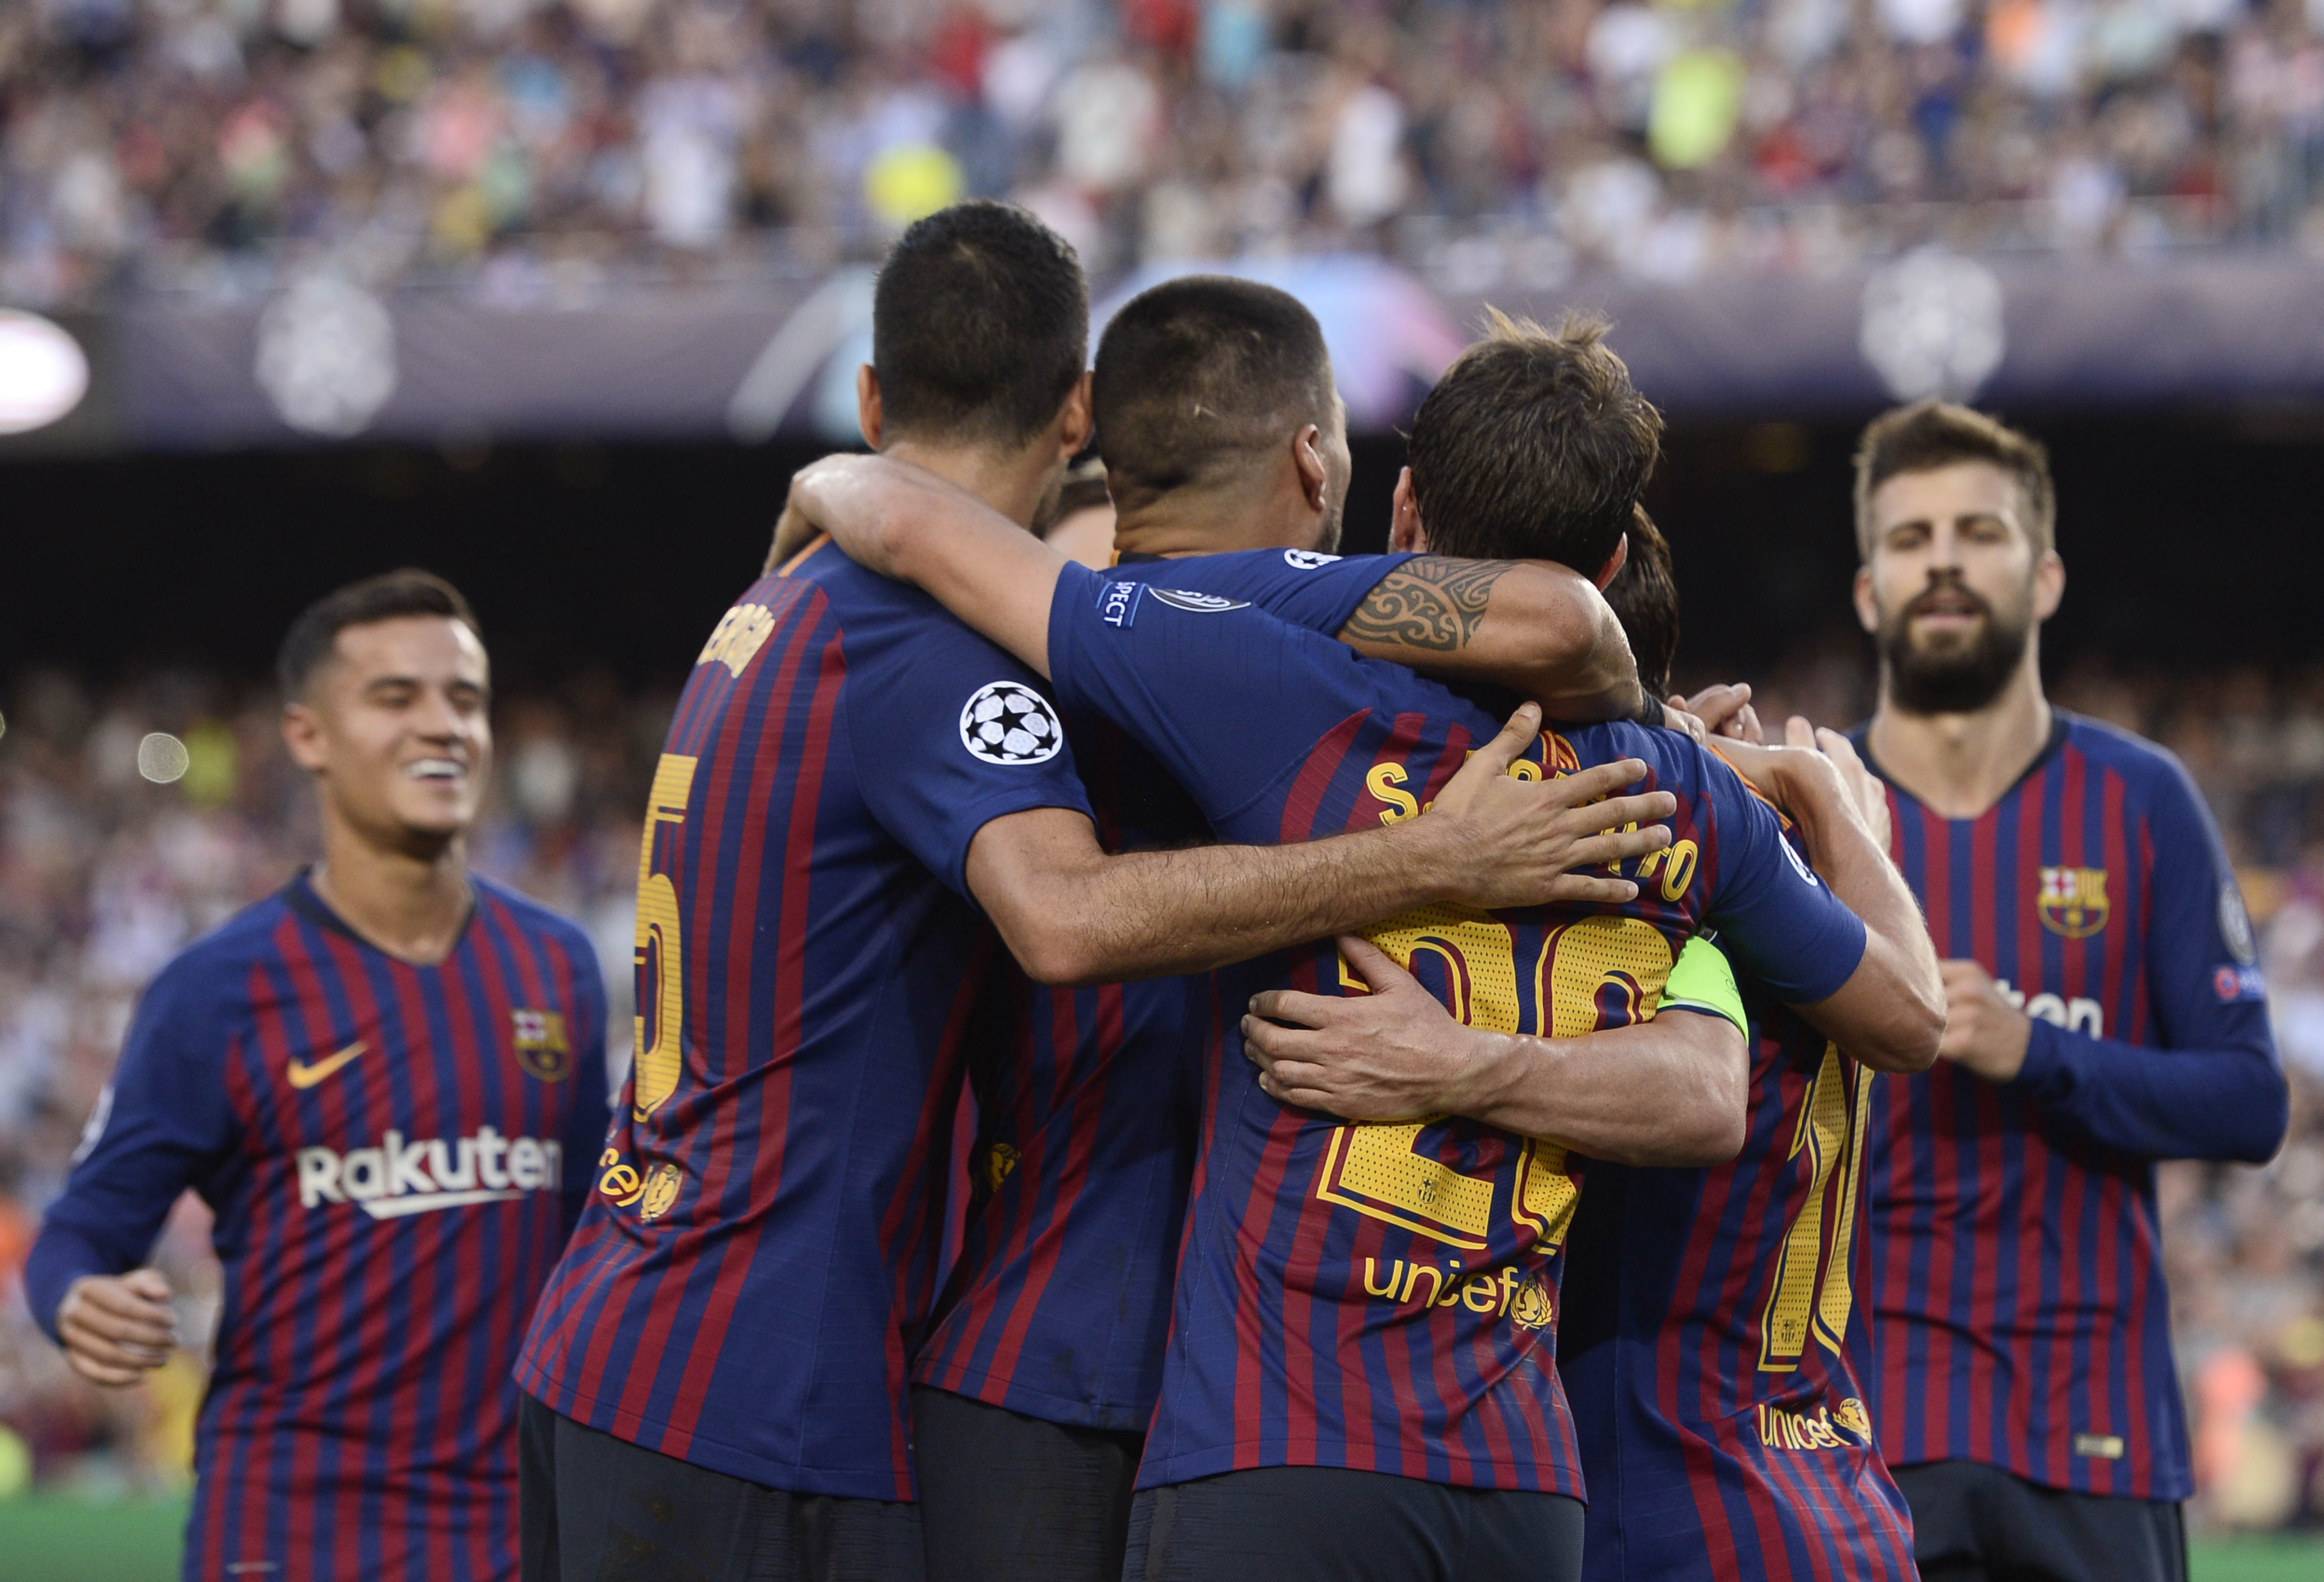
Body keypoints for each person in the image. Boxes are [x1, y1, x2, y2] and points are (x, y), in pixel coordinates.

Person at [509, 205, 1669, 1582]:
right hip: (1036, 1387)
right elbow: (1065, 919)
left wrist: (857, 487)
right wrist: (1461, 847)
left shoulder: (897, 623)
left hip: (932, 1356)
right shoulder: (1023, 666)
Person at [785, 332, 1942, 1580]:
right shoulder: (1686, 803)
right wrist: (1827, 799)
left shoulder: (1286, 695)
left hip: (1280, 1442)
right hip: (1518, 1476)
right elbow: (1910, 1020)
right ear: (1615, 560)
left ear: (1399, 505)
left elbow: (924, 534)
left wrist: (821, 488)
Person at [910, 275, 1708, 1582]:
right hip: (1248, 1389)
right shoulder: (1321, 688)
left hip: (1055, 1356)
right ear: (1315, 456)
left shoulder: (1015, 644)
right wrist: (1443, 852)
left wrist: (848, 490)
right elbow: (1563, 619)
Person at [22, 570, 615, 1582]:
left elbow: (585, 1241)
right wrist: (77, 1297)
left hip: (520, 1533)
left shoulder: (556, 964)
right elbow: (82, 1229)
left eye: (464, 698)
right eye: (396, 697)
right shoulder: (216, 991)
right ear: (308, 736)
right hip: (292, 1535)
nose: (444, 725)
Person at [1845, 401, 2288, 1582]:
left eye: (1977, 531)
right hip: (1862, 1436)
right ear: (1867, 591)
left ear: (2042, 576)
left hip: (2093, 1435)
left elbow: (2249, 1102)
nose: (1942, 557)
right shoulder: (1810, 811)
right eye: (1909, 537)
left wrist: (2034, 1049)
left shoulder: (2144, 802)